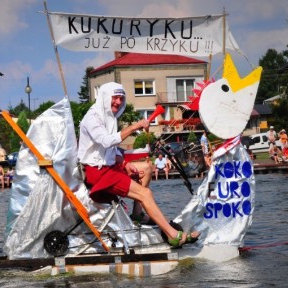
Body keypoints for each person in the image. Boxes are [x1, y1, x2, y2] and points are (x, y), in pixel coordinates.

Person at [77, 82, 199, 248]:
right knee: (145, 193)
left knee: (147, 167)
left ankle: (137, 214)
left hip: (109, 167)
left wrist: (125, 163)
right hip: (98, 174)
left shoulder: (108, 117)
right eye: (115, 98)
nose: (118, 102)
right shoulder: (92, 118)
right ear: (105, 98)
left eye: (121, 98)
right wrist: (135, 126)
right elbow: (106, 142)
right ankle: (173, 235)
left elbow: (108, 150)